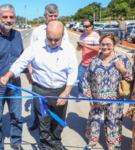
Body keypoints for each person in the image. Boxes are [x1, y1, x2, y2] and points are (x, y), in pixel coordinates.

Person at [0, 21, 78, 150]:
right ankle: (46, 145)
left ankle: (56, 142)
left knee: (58, 120)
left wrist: (67, 92)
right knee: (44, 121)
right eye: (49, 38)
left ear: (63, 35)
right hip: (40, 91)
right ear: (45, 34)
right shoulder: (36, 46)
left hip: (61, 91)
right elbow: (21, 62)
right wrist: (8, 75)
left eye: (57, 40)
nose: (53, 42)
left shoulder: (68, 48)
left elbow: (73, 71)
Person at [82, 33, 133, 150]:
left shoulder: (122, 58)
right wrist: (89, 96)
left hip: (115, 99)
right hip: (96, 98)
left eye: (108, 44)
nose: (105, 47)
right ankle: (92, 142)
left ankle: (112, 145)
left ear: (114, 44)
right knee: (94, 119)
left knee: (112, 122)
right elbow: (86, 78)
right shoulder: (94, 60)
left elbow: (131, 77)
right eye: (103, 44)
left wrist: (122, 69)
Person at [28, 4, 69, 131]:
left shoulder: (63, 30)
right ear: (45, 16)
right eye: (50, 16)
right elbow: (30, 53)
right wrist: (30, 72)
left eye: (55, 16)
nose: (53, 18)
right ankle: (37, 121)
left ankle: (53, 127)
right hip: (39, 76)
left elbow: (67, 50)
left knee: (56, 105)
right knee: (38, 104)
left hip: (56, 75)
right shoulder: (37, 31)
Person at [0, 4, 29, 150]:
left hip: (15, 84)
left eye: (11, 17)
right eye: (5, 17)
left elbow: (22, 58)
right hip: (0, 86)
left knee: (17, 116)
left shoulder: (17, 35)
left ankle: (16, 143)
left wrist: (29, 75)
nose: (8, 20)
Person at [76, 19, 100, 100]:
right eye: (84, 26)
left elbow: (97, 49)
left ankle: (94, 94)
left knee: (94, 80)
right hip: (83, 62)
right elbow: (78, 49)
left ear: (92, 26)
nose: (85, 28)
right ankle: (81, 93)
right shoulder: (82, 35)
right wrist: (79, 46)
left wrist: (85, 45)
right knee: (79, 77)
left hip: (94, 63)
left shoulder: (96, 36)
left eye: (87, 26)